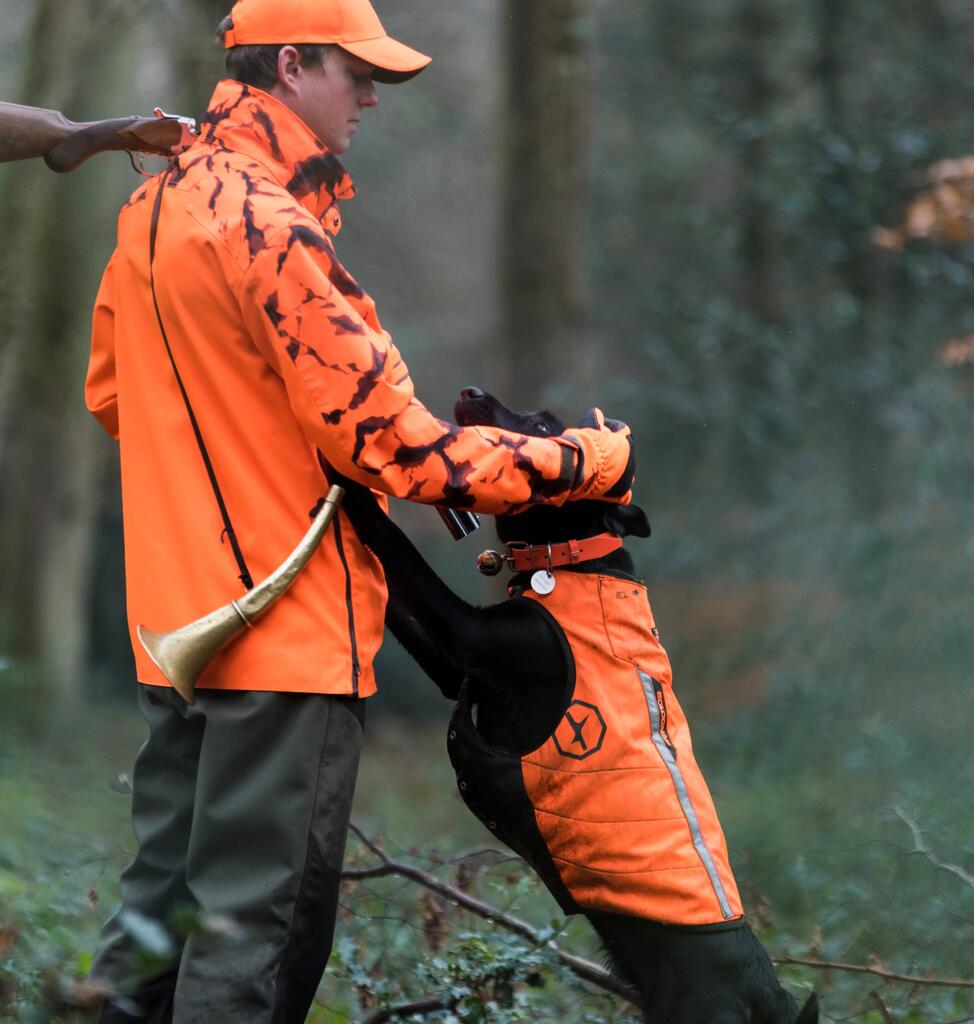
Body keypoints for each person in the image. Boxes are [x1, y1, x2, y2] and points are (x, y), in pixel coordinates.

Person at [83, 0, 635, 1021]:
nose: (373, 96)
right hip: (280, 641)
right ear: (291, 65)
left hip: (174, 627)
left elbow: (114, 396)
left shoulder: (153, 211)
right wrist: (580, 458)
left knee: (154, 925)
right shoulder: (272, 229)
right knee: (252, 945)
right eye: (357, 73)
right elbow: (398, 448)